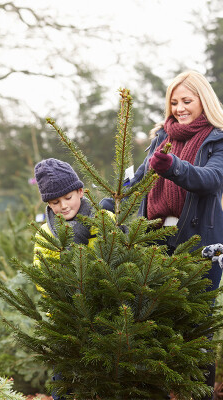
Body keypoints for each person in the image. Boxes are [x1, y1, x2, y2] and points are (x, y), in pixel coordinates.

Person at [101, 70, 223, 399]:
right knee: (152, 321)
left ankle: (199, 393)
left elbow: (211, 179)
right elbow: (138, 180)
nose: (180, 107)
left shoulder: (218, 138)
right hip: (154, 241)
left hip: (200, 244)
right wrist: (111, 202)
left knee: (198, 327)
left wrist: (173, 167)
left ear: (203, 100)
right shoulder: (161, 137)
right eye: (174, 102)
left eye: (187, 101)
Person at [34, 158, 97, 400]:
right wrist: (62, 299)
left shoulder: (100, 220)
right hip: (65, 317)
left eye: (68, 198)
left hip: (102, 311)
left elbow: (110, 255)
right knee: (64, 375)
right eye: (55, 202)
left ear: (80, 191)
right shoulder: (47, 232)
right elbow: (42, 272)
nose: (63, 206)